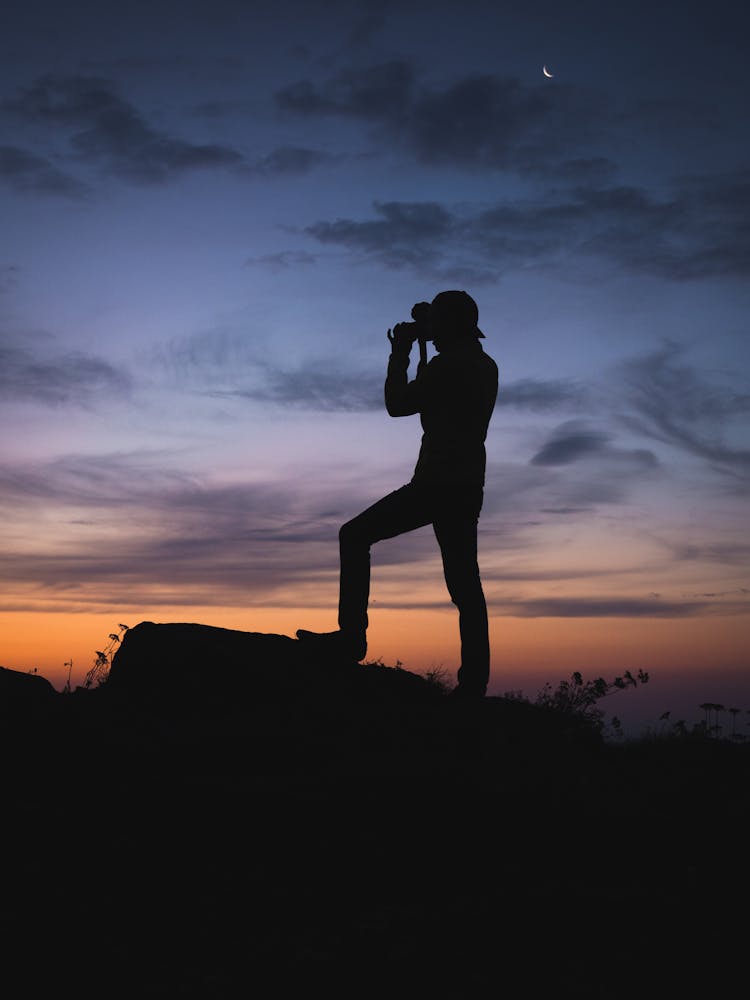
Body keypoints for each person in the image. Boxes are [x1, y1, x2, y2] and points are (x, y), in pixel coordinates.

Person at [297, 290, 498, 697]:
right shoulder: (484, 364)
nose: (434, 334)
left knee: (354, 535)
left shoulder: (447, 365)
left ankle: (351, 638)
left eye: (438, 326)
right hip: (467, 485)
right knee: (465, 586)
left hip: (435, 484)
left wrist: (401, 353)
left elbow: (397, 404)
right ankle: (474, 683)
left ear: (450, 326)